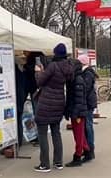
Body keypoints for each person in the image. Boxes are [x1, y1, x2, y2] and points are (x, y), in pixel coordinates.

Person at [34, 44, 72, 172]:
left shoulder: (53, 66)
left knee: (42, 133)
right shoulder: (68, 67)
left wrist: (38, 72)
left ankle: (44, 164)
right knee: (56, 133)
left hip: (46, 104)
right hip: (59, 103)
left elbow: (40, 82)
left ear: (56, 54)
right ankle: (58, 162)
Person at [65, 57, 90, 167]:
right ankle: (87, 151)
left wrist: (75, 113)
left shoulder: (77, 79)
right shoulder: (74, 78)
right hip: (76, 111)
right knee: (79, 134)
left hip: (78, 112)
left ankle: (78, 156)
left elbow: (79, 100)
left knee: (78, 135)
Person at [79, 54, 98, 161]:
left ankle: (90, 149)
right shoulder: (88, 72)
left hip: (88, 103)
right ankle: (87, 148)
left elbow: (85, 88)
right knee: (87, 126)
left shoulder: (87, 73)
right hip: (88, 103)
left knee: (88, 126)